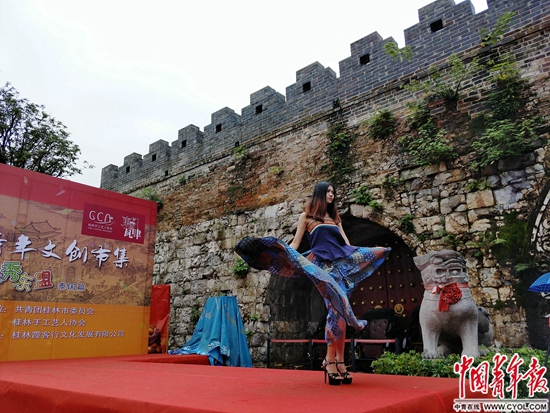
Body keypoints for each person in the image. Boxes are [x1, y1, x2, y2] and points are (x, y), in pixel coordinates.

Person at [234, 182, 391, 385]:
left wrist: (371, 253)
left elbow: (347, 245)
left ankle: (340, 361)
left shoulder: (335, 219)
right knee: (336, 309)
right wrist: (282, 254)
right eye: (328, 191)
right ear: (319, 194)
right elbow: (295, 244)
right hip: (322, 268)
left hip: (341, 267)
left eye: (333, 192)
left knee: (341, 312)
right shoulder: (306, 217)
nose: (332, 195)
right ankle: (330, 360)